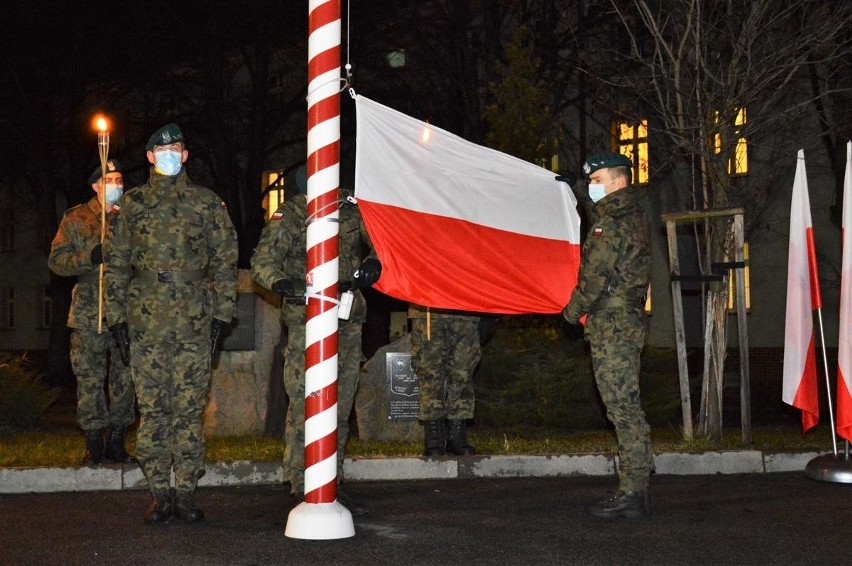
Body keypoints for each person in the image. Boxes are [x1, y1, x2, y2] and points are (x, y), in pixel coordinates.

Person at [104, 124, 238, 524]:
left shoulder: (207, 204)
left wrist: (222, 316)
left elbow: (225, 261)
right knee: (154, 410)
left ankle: (186, 492)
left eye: (175, 148)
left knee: (188, 410)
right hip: (145, 321)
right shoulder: (131, 205)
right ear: (149, 157)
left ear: (184, 156)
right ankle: (159, 493)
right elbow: (114, 267)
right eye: (160, 148)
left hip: (194, 321)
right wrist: (116, 320)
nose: (168, 154)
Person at [250, 165, 380, 513]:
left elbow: (382, 242)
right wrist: (282, 283)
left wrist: (373, 262)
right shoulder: (291, 215)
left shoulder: (349, 209)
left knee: (340, 401)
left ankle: (333, 481)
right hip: (307, 319)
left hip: (348, 317)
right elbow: (262, 262)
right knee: (307, 401)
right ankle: (300, 481)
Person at [561, 151, 653, 519]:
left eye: (596, 181)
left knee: (622, 409)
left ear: (617, 181)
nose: (592, 188)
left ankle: (633, 492)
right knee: (625, 404)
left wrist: (569, 313)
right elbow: (598, 212)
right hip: (623, 322)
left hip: (612, 326)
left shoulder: (611, 224)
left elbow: (593, 279)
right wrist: (578, 192)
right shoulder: (628, 213)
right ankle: (638, 484)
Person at [48, 159, 137, 466]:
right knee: (89, 377)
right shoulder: (76, 218)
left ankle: (117, 439)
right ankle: (93, 441)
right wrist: (90, 257)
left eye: (120, 180)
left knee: (124, 377)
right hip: (89, 309)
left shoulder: (130, 217)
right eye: (111, 180)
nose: (118, 185)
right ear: (97, 186)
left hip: (125, 307)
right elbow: (57, 262)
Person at [409, 305, 480, 457]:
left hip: (466, 309)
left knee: (463, 372)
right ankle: (434, 438)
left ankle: (457, 435)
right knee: (430, 374)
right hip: (428, 309)